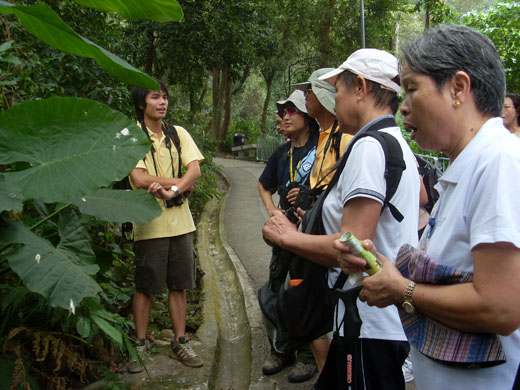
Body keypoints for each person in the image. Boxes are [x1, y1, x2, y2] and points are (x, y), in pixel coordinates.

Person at [334, 25, 520, 390]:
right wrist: (386, 271)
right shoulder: (464, 168)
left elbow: (502, 306)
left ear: (458, 88)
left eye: (413, 89)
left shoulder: (498, 162)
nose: (403, 106)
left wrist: (401, 290)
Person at [262, 48, 421, 389]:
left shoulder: (368, 148)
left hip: (368, 325)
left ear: (361, 87)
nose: (335, 100)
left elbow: (352, 248)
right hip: (372, 322)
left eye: (339, 91)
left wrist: (286, 237)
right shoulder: (395, 142)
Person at [127, 79, 204, 373]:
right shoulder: (133, 136)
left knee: (180, 285)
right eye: (155, 97)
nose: (162, 102)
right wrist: (183, 186)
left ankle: (179, 340)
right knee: (145, 286)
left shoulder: (178, 133)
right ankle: (141, 344)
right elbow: (139, 178)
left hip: (181, 223)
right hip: (149, 223)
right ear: (141, 103)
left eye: (165, 97)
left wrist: (171, 191)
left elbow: (195, 169)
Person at [292, 68, 353, 374]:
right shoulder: (324, 136)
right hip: (316, 234)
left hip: (332, 247)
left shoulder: (346, 138)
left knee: (322, 313)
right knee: (311, 310)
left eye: (310, 92)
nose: (306, 97)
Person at [258, 90, 320, 383]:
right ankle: (281, 350)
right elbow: (263, 184)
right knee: (276, 289)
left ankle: (308, 357)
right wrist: (274, 212)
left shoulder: (322, 149)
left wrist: (311, 197)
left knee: (303, 291)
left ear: (308, 116)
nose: (285, 115)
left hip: (309, 236)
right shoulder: (282, 153)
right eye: (283, 111)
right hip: (283, 235)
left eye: (292, 110)